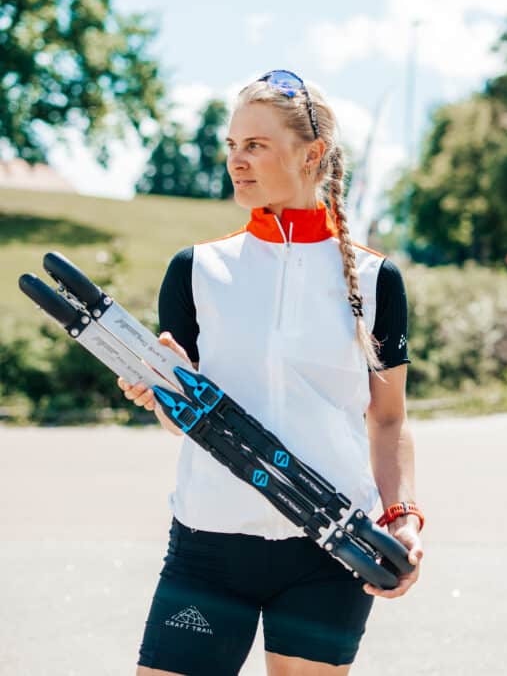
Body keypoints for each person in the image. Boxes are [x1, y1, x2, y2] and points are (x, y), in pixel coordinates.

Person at [119, 70, 425, 676]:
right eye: (232, 145)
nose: (237, 160)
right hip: (209, 543)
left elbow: (388, 419)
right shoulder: (197, 269)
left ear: (311, 154)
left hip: (331, 549)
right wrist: (160, 398)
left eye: (255, 145)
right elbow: (187, 424)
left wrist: (403, 518)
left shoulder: (374, 279)